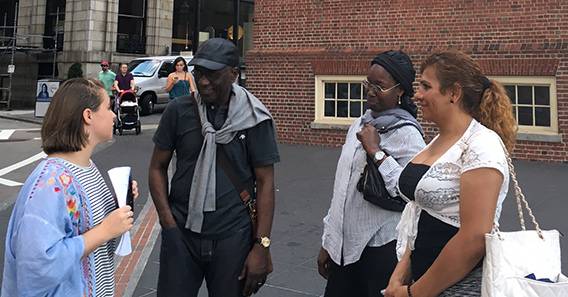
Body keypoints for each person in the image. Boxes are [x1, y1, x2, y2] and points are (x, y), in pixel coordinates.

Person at [149, 38, 279, 297]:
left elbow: (265, 182)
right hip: (182, 234)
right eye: (199, 73)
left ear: (233, 74)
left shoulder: (254, 119)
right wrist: (168, 223)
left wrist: (261, 246)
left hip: (233, 236)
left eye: (213, 74)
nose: (205, 81)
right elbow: (157, 167)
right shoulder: (178, 111)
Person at [384, 51, 517, 297]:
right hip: (420, 276)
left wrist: (415, 293)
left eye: (425, 86)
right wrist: (401, 270)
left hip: (459, 287)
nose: (417, 95)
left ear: (454, 93)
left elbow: (474, 238)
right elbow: (420, 211)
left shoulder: (481, 145)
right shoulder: (439, 139)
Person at [1, 78, 139, 297]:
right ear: (88, 116)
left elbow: (94, 236)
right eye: (108, 107)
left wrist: (119, 208)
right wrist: (104, 231)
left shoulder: (88, 167)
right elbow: (35, 268)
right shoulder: (50, 183)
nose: (114, 115)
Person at [318, 50, 426, 297]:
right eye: (368, 83)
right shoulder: (360, 123)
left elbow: (412, 193)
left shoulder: (408, 134)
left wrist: (376, 151)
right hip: (345, 248)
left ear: (400, 91)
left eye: (380, 86)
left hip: (380, 249)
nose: (370, 91)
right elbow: (342, 190)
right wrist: (329, 241)